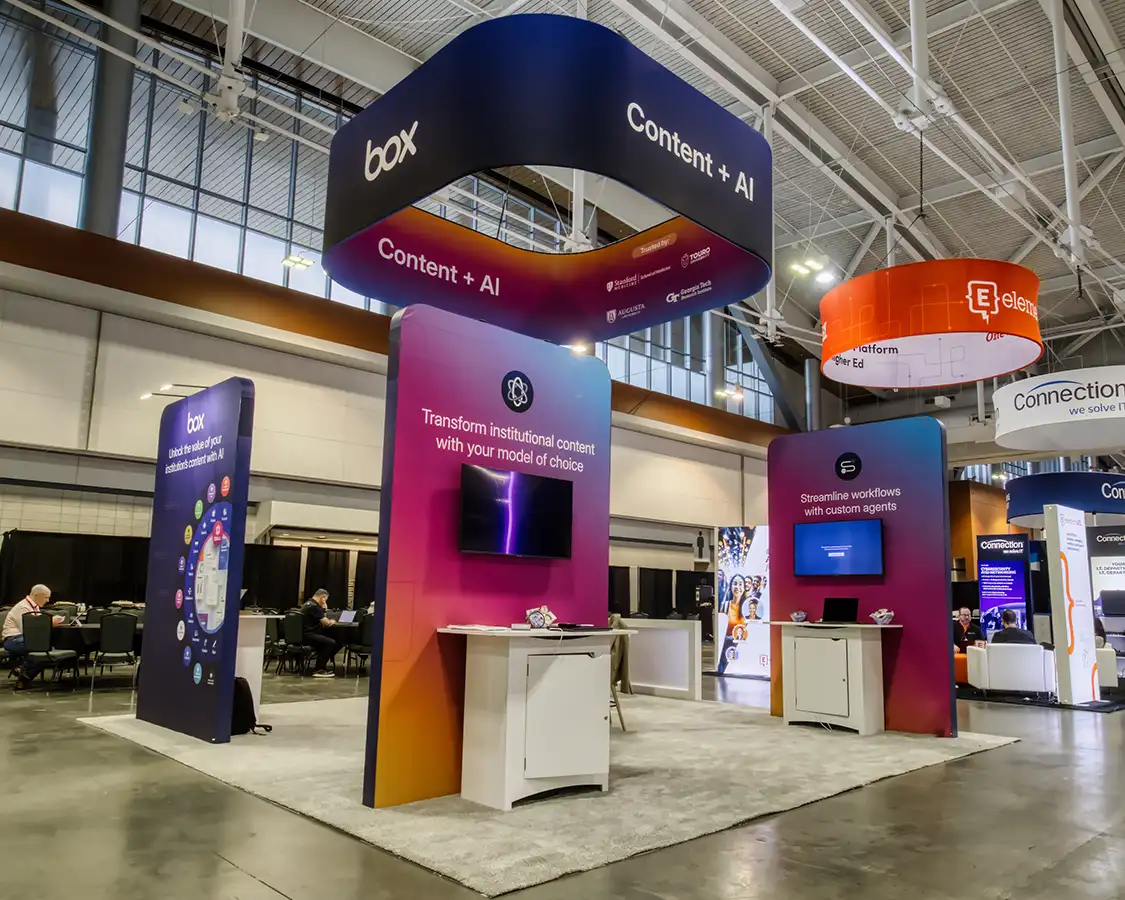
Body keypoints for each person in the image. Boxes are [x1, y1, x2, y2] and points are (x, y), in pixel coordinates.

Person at [2, 584, 63, 688]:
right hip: (13, 640)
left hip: (25, 639)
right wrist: (48, 622)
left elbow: (37, 631)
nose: (48, 600)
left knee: (46, 651)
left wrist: (49, 623)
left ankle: (23, 676)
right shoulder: (23, 607)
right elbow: (27, 630)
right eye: (46, 597)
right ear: (36, 595)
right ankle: (23, 670)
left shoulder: (34, 606)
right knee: (45, 650)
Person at [301, 589, 340, 678]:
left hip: (303, 635)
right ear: (323, 598)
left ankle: (322, 665)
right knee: (330, 643)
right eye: (325, 599)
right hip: (309, 635)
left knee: (328, 639)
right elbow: (326, 623)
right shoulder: (315, 607)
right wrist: (332, 621)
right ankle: (319, 670)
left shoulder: (307, 604)